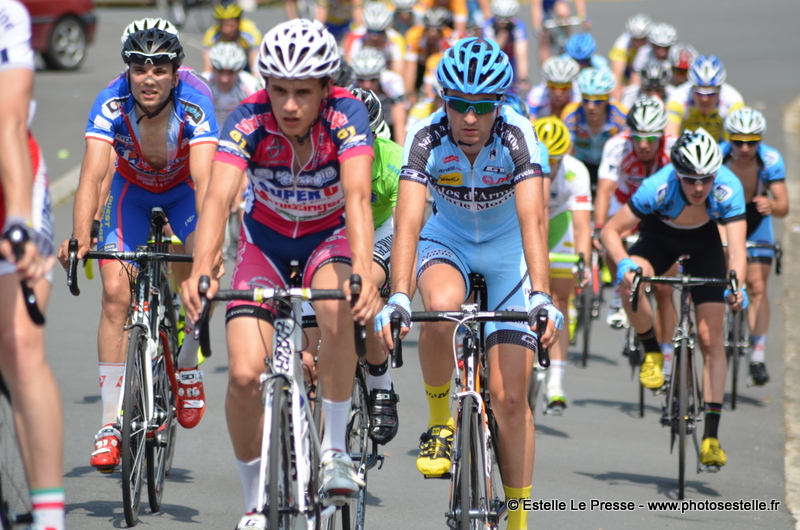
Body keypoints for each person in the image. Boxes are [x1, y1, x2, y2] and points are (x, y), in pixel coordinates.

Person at [179, 20, 381, 529]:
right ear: (265, 85)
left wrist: (364, 271)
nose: (289, 105)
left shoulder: (348, 115)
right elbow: (219, 199)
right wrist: (201, 270)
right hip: (264, 246)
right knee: (245, 376)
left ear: (325, 89)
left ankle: (334, 450)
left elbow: (357, 197)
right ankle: (253, 502)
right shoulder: (248, 119)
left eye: (303, 92)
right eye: (279, 90)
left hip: (326, 237)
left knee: (337, 304)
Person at [375, 37, 561, 530]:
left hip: (507, 254)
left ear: (500, 104)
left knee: (511, 400)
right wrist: (397, 296)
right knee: (440, 305)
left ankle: (519, 518)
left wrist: (541, 296)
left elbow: (532, 221)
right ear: (444, 102)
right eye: (458, 104)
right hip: (448, 241)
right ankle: (440, 422)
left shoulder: (519, 136)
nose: (470, 118)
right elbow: (409, 222)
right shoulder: (426, 137)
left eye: (482, 106)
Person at [57, 27, 218, 472]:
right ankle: (109, 425)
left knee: (207, 275)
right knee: (114, 294)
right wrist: (80, 236)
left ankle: (186, 363)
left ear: (174, 73)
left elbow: (206, 183)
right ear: (128, 70)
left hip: (184, 191)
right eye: (139, 68)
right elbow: (91, 176)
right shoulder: (111, 100)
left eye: (160, 69)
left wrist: (207, 248)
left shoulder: (196, 98)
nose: (149, 78)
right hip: (133, 193)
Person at [601, 127, 747, 468]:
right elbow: (611, 230)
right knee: (632, 281)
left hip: (705, 245)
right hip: (659, 239)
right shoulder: (659, 187)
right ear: (676, 174)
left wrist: (735, 286)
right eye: (689, 180)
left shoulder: (728, 188)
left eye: (705, 180)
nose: (698, 188)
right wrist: (623, 264)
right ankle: (652, 351)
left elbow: (737, 250)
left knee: (711, 340)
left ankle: (711, 435)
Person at [0, 3, 63, 529]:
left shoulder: (6, 15)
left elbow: (10, 120)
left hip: (9, 178)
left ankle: (48, 518)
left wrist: (17, 218)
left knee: (19, 345)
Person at [595, 97, 677, 362]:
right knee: (610, 235)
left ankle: (665, 356)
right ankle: (621, 291)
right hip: (629, 205)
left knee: (665, 291)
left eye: (651, 139)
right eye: (638, 137)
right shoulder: (617, 145)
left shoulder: (674, 148)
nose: (643, 145)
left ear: (662, 135)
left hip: (663, 212)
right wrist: (598, 228)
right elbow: (605, 190)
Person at [721, 107, 788, 386]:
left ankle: (757, 355)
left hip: (757, 221)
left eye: (752, 141)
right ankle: (724, 320)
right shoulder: (717, 157)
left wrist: (771, 204)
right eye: (738, 141)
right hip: (723, 218)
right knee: (730, 275)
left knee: (759, 287)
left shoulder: (770, 159)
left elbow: (783, 207)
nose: (745, 148)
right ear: (729, 139)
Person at [533, 116, 591, 414]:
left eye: (555, 159)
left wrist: (583, 262)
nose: (550, 164)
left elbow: (582, 226)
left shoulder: (576, 172)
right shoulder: (525, 161)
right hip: (528, 222)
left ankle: (556, 380)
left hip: (558, 225)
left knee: (560, 299)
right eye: (547, 157)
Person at [561, 67, 627, 191]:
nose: (591, 106)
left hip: (609, 165)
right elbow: (566, 154)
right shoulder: (571, 114)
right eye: (586, 99)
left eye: (598, 101)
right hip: (581, 163)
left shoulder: (621, 116)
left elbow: (627, 152)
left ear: (608, 99)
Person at [665, 55, 744, 142]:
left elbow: (733, 143)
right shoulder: (677, 98)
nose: (704, 99)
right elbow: (670, 138)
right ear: (692, 88)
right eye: (699, 93)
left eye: (711, 94)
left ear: (719, 89)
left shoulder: (733, 100)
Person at [351, 46, 408, 145]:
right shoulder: (349, 85)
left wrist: (401, 147)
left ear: (380, 76)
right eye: (361, 80)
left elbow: (399, 117)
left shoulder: (392, 80)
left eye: (373, 79)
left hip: (388, 124)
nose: (367, 85)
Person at [204, 42, 261, 126]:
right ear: (212, 69)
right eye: (220, 71)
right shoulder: (201, 85)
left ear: (239, 71)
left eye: (231, 73)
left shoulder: (250, 85)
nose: (224, 79)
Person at [404, 7, 453, 102]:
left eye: (437, 30)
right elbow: (410, 68)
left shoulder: (449, 37)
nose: (432, 33)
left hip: (436, 66)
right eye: (429, 29)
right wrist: (409, 94)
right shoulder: (414, 35)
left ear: (442, 30)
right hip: (419, 65)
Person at [344, 1, 406, 75]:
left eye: (379, 32)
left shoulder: (396, 40)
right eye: (370, 31)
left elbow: (398, 75)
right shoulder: (354, 37)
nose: (374, 37)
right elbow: (348, 70)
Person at [202, 0, 262, 74]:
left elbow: (255, 68)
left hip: (246, 64)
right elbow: (208, 69)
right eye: (222, 25)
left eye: (231, 25)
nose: (226, 30)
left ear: (239, 22)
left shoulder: (251, 31)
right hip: (223, 68)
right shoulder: (211, 33)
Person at [482, 0, 529, 92]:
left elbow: (522, 54)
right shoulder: (488, 25)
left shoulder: (518, 26)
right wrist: (503, 35)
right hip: (492, 61)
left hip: (511, 60)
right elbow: (491, 53)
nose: (503, 23)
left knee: (513, 90)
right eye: (499, 18)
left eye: (507, 19)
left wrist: (523, 79)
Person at [608, 13, 652, 100]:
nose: (638, 44)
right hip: (628, 73)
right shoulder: (621, 44)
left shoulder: (652, 44)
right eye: (635, 39)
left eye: (642, 39)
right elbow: (617, 76)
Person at [532, 0, 589, 66]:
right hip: (545, 5)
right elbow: (536, 4)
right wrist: (538, 26)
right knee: (544, 38)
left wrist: (583, 16)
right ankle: (545, 68)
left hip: (558, 2)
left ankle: (566, 41)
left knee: (563, 11)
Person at [526, 55, 580, 120]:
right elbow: (530, 122)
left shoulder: (578, 97)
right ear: (546, 85)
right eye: (553, 86)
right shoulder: (536, 95)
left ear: (572, 86)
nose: (558, 93)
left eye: (564, 87)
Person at [628, 22, 677, 87]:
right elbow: (635, 80)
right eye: (658, 47)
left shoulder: (677, 56)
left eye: (666, 48)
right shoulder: (643, 54)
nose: (662, 52)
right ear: (651, 44)